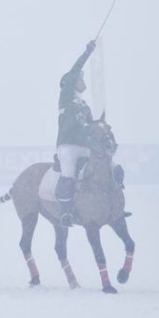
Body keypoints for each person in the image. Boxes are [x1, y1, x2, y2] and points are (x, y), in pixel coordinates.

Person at [55, 41, 98, 226]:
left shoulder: (85, 105)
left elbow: (92, 126)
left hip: (85, 146)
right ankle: (66, 213)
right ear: (71, 83)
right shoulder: (66, 97)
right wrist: (86, 53)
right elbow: (73, 72)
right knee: (69, 174)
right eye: (81, 78)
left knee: (105, 165)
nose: (83, 81)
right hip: (68, 146)